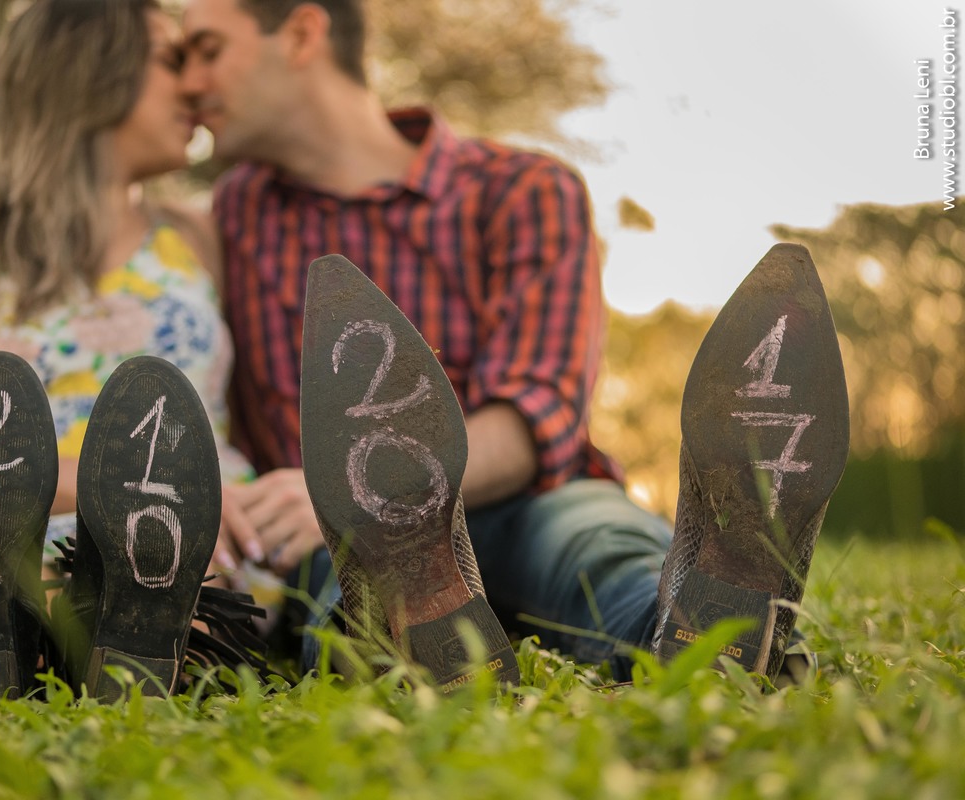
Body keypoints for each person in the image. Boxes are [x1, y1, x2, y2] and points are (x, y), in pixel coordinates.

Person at [179, 0, 850, 686]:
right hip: (340, 531)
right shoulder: (229, 220)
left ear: (300, 33)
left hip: (536, 499)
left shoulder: (521, 189)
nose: (188, 84)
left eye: (205, 49)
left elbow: (538, 408)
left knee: (603, 548)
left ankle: (710, 625)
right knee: (346, 578)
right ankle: (389, 645)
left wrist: (380, 492)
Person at [0, 0, 262, 701]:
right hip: (4, 513)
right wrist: (123, 497)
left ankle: (113, 635)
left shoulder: (202, 235)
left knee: (181, 579)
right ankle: (19, 634)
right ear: (85, 70)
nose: (194, 86)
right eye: (169, 59)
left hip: (199, 520)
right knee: (23, 564)